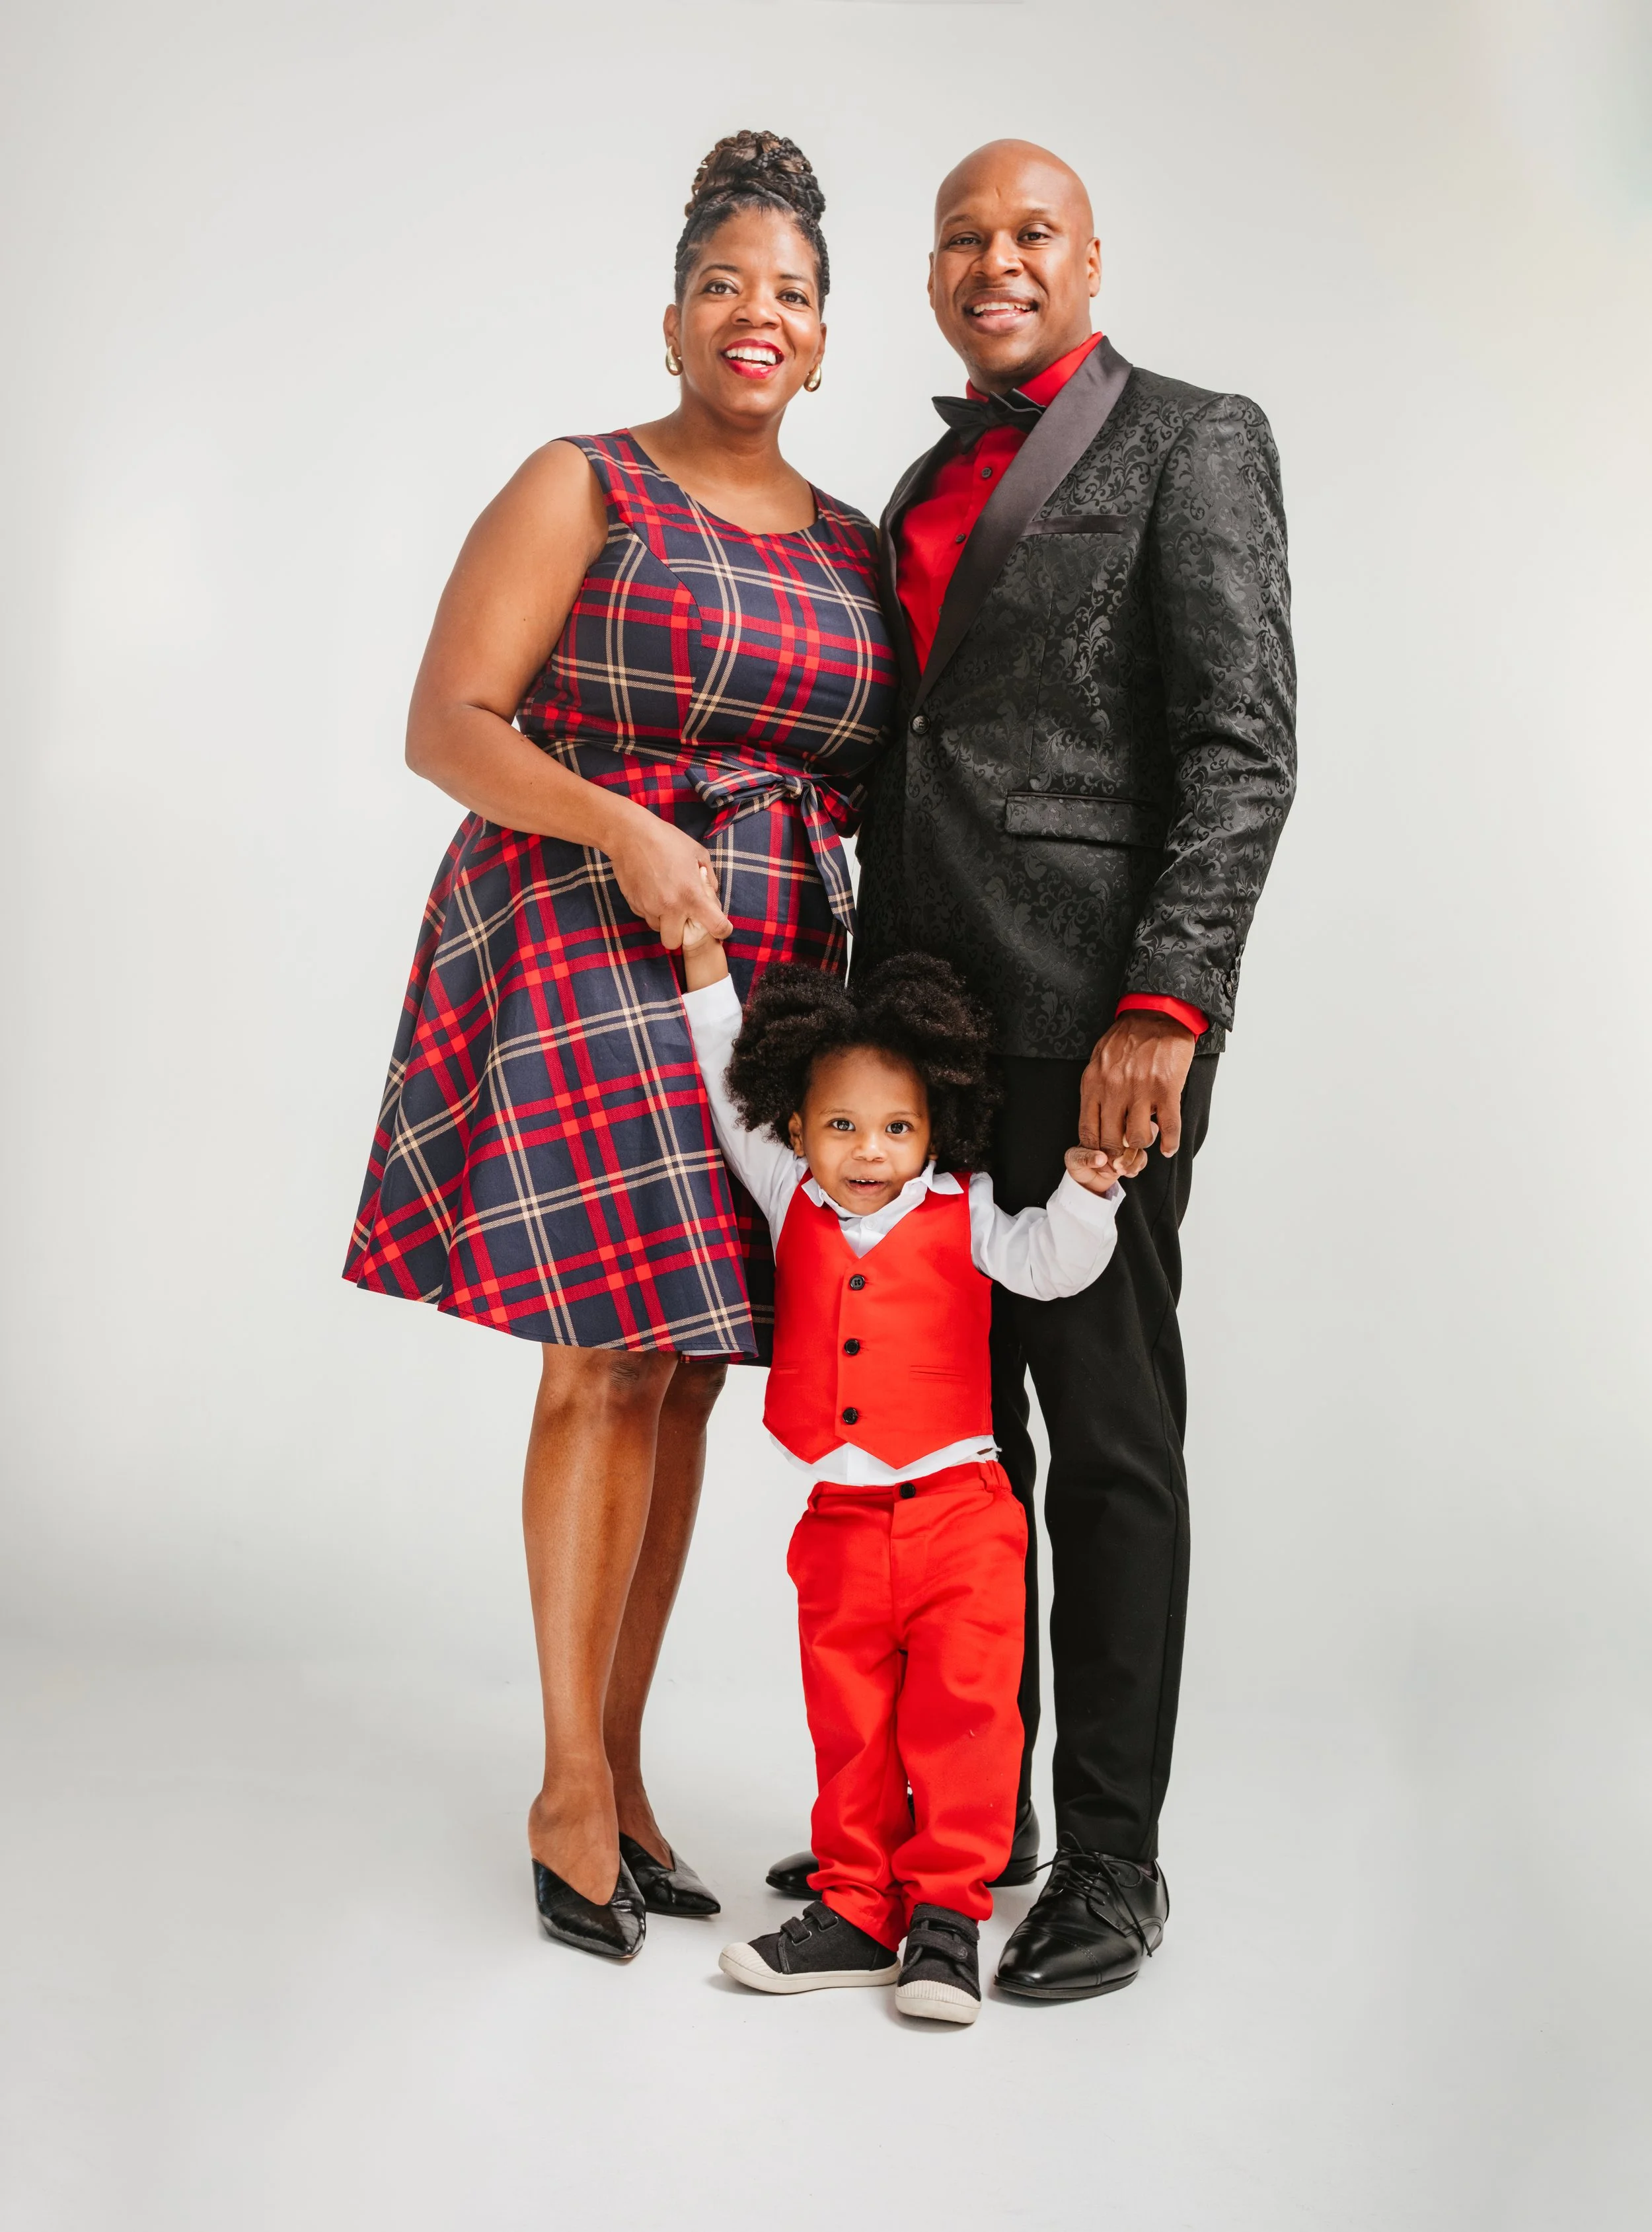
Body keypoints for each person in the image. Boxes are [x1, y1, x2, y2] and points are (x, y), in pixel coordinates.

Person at [344, 131, 895, 1960]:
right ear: (673, 319)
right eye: (727, 281)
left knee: (690, 1377)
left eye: (793, 293)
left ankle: (629, 1772)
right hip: (590, 920)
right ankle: (565, 1784)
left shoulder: (849, 546)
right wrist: (626, 831)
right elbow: (450, 724)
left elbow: (870, 776)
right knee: (601, 1356)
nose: (759, 313)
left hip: (774, 969)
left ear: (823, 343)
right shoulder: (578, 483)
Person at [770, 139, 1296, 2002]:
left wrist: (1168, 1003)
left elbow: (1239, 745)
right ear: (931, 274)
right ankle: (958, 1831)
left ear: (1088, 257)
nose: (994, 260)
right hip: (923, 1037)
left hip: (1094, 1035)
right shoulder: (925, 471)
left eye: (1029, 233)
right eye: (963, 238)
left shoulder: (1193, 437)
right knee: (947, 1449)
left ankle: (1114, 1858)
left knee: (1105, 1446)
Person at [675, 918, 1133, 2022]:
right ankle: (855, 1908)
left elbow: (1050, 1264)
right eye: (841, 1126)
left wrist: (1087, 1192)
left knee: (966, 1723)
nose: (870, 1149)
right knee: (850, 1724)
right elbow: (722, 1052)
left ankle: (946, 1918)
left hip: (962, 1520)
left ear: (935, 1128)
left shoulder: (962, 1210)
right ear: (796, 1128)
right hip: (837, 1522)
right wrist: (701, 967)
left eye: (895, 1126)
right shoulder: (791, 1195)